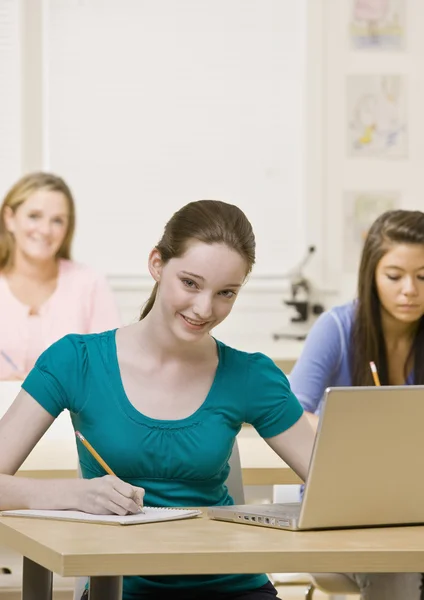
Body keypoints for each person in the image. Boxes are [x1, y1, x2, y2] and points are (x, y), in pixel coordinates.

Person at [0, 199, 315, 600]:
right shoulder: (75, 361)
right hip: (121, 588)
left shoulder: (252, 375)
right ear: (156, 264)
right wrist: (73, 495)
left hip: (234, 588)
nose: (204, 309)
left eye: (226, 293)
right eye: (190, 283)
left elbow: (337, 491)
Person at [290, 209, 424, 600]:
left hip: (413, 508)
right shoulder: (336, 328)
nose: (410, 291)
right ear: (371, 274)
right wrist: (350, 440)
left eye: (423, 276)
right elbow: (290, 413)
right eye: (395, 276)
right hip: (342, 513)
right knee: (397, 569)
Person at [0, 172, 121, 380]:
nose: (45, 230)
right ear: (10, 219)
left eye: (57, 221)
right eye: (34, 216)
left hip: (70, 412)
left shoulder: (89, 283)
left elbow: (111, 366)